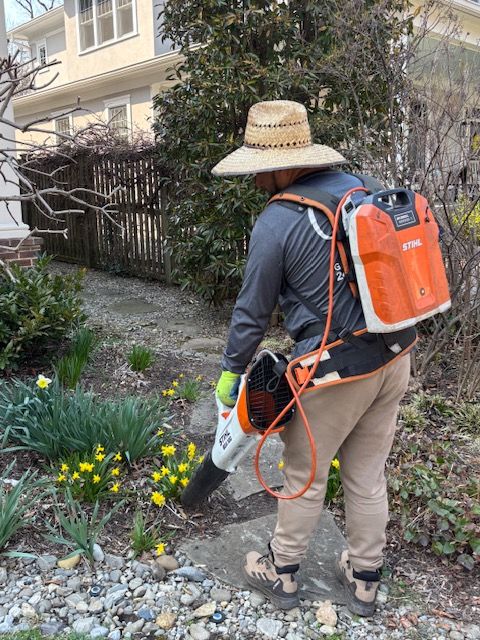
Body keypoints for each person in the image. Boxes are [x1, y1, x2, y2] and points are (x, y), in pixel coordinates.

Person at [212, 100, 415, 616]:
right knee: (367, 475)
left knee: (304, 472)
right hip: (395, 354)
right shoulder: (363, 189)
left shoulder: (278, 221)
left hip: (336, 370)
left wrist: (233, 369)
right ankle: (365, 578)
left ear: (283, 164)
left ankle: (281, 574)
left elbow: (251, 310)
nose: (257, 180)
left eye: (260, 169)